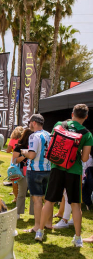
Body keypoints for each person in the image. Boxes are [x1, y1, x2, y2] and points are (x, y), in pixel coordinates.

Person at [36, 105, 93, 247]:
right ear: (86, 117)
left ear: (72, 113)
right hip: (74, 171)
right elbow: (85, 159)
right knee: (75, 204)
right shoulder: (87, 134)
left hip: (57, 167)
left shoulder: (60, 125)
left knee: (49, 201)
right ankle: (78, 238)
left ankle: (40, 231)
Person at [20, 114, 51, 234]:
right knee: (47, 199)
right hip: (48, 169)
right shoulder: (49, 134)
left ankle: (37, 226)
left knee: (37, 199)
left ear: (33, 122)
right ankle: (48, 223)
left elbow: (32, 155)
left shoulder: (34, 136)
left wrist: (24, 152)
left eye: (29, 123)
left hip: (35, 170)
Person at [12, 129, 33, 219]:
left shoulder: (35, 146)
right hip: (22, 171)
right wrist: (24, 155)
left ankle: (34, 213)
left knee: (34, 194)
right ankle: (18, 213)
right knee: (22, 193)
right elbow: (15, 160)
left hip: (33, 170)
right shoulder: (19, 147)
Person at [7, 126, 25, 203]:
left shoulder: (12, 140)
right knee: (23, 180)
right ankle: (21, 198)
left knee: (14, 180)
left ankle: (16, 197)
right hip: (24, 161)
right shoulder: (24, 140)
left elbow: (8, 150)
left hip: (14, 161)